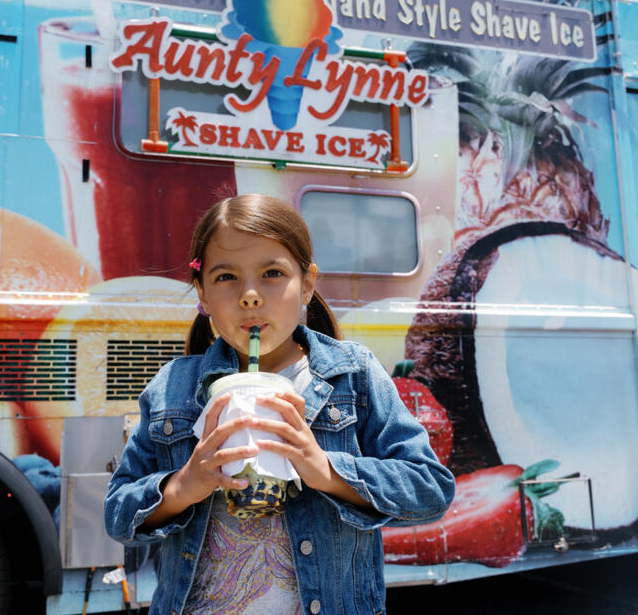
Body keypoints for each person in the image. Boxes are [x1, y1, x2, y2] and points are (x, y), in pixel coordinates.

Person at [104, 193, 454, 615]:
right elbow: (117, 516)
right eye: (226, 277)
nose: (250, 296)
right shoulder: (173, 387)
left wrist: (327, 471)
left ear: (307, 283)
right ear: (202, 293)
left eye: (272, 273)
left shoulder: (353, 375)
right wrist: (183, 486)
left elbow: (430, 489)